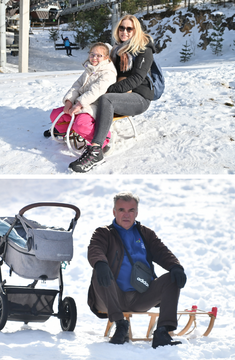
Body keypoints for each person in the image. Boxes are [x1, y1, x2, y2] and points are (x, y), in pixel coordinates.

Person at [87, 192, 187, 348]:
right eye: (121, 210)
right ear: (114, 212)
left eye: (131, 210)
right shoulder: (104, 232)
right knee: (100, 270)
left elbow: (162, 252)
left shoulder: (145, 233)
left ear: (136, 212)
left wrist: (176, 266)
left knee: (171, 278)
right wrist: (100, 263)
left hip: (141, 296)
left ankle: (162, 332)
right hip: (111, 296)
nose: (126, 215)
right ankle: (121, 325)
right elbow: (95, 249)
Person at [68, 15, 156, 173]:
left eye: (129, 28)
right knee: (94, 96)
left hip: (139, 97)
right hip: (120, 94)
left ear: (136, 30)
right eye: (122, 28)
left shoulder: (144, 49)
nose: (125, 31)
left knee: (106, 98)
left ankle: (96, 150)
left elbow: (136, 79)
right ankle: (67, 124)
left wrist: (110, 90)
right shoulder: (116, 50)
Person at [45, 42, 116, 152]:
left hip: (95, 105)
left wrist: (79, 104)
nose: (94, 58)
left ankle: (104, 140)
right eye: (92, 54)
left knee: (81, 125)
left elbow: (96, 91)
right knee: (55, 115)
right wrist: (69, 101)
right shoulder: (89, 69)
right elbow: (77, 86)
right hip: (80, 103)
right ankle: (67, 132)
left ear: (106, 58)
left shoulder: (108, 73)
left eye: (99, 55)